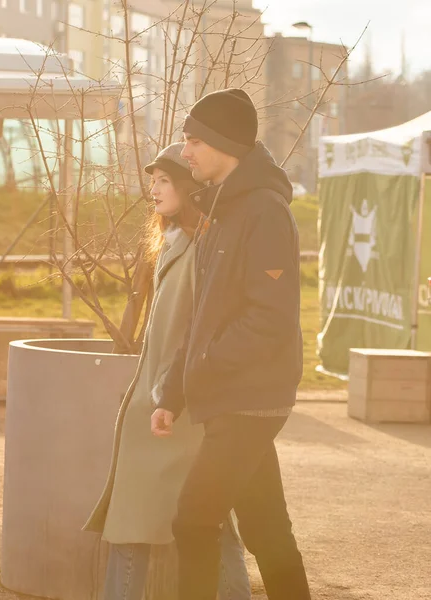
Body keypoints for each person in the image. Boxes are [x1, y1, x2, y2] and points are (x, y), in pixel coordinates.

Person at [150, 89, 311, 600]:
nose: (186, 151)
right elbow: (204, 316)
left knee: (193, 523)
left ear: (224, 145)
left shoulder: (264, 211)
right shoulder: (222, 212)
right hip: (233, 396)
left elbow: (270, 318)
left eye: (194, 140)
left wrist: (203, 369)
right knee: (267, 530)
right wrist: (173, 392)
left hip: (250, 399)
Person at [84, 143, 251, 600]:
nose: (152, 190)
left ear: (189, 187)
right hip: (166, 407)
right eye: (151, 180)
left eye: (163, 180)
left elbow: (202, 333)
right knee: (205, 522)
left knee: (140, 525)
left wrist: (167, 393)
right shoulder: (178, 245)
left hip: (171, 409)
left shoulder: (204, 249)